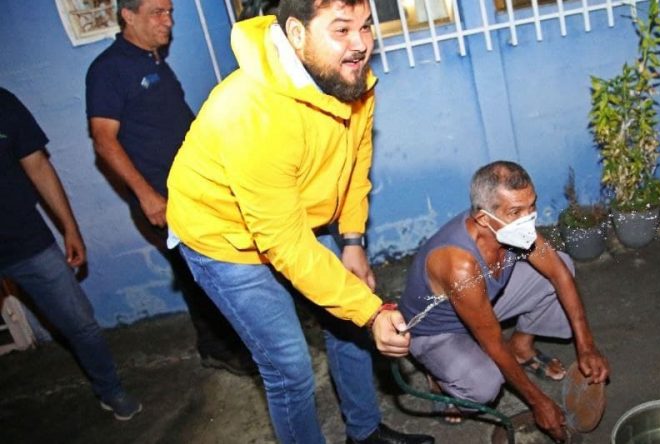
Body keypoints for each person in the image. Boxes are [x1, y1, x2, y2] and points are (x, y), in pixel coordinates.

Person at [164, 1, 434, 443]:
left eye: (366, 27)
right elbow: (285, 244)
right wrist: (371, 312)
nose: (360, 44)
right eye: (341, 30)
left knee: (348, 318)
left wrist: (352, 240)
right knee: (290, 367)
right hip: (222, 237)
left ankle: (364, 434)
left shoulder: (349, 78)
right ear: (296, 33)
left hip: (289, 217)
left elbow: (356, 162)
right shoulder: (251, 112)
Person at [85, 0, 256, 376]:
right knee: (200, 275)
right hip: (163, 198)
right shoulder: (108, 69)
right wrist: (147, 196)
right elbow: (103, 139)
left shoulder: (154, 61)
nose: (168, 21)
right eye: (157, 13)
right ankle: (218, 348)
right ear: (128, 16)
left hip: (196, 187)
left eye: (170, 12)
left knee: (220, 266)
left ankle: (239, 338)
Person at [398, 161, 611, 441]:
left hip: (480, 302)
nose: (528, 219)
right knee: (485, 385)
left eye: (531, 206)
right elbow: (494, 343)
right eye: (516, 212)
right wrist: (538, 403)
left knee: (563, 265)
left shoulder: (512, 226)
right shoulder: (459, 265)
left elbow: (559, 274)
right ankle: (439, 380)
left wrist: (587, 346)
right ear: (483, 218)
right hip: (436, 330)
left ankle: (521, 347)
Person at [0, 87, 142, 421]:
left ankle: (110, 390)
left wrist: (70, 228)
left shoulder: (3, 103)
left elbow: (38, 165)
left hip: (28, 242)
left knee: (81, 324)